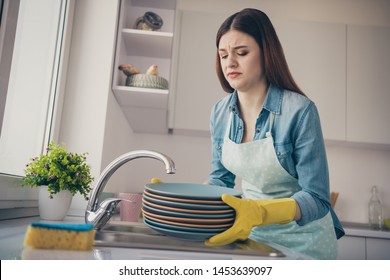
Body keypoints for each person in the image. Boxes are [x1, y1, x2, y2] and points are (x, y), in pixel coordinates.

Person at [205, 8, 344, 259]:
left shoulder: (300, 111)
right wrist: (179, 201)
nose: (230, 63)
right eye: (223, 55)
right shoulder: (219, 112)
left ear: (266, 52)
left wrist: (261, 212)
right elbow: (220, 182)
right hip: (252, 237)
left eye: (242, 53)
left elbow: (317, 198)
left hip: (306, 242)